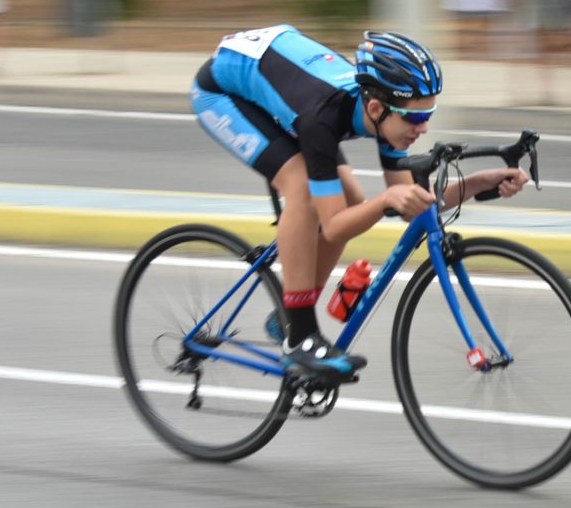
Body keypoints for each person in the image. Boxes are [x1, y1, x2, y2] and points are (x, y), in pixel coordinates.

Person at [189, 25, 530, 381]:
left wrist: (480, 182)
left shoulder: (387, 115)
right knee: (303, 190)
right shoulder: (324, 116)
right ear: (376, 107)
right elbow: (339, 223)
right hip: (221, 92)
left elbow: (407, 204)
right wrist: (385, 198)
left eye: (428, 115)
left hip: (288, 91)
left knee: (351, 199)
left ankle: (288, 319)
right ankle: (299, 339)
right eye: (415, 117)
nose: (423, 128)